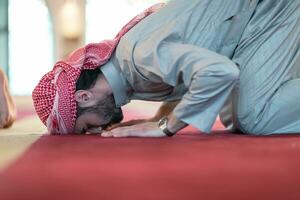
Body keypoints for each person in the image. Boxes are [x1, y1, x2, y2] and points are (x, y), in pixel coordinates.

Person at [33, 0, 300, 137]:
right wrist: (157, 116)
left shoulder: (138, 57)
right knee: (233, 117)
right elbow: (185, 73)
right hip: (249, 21)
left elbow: (219, 72)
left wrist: (164, 127)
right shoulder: (129, 69)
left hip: (267, 8)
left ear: (84, 97)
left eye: (84, 127)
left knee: (255, 116)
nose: (93, 132)